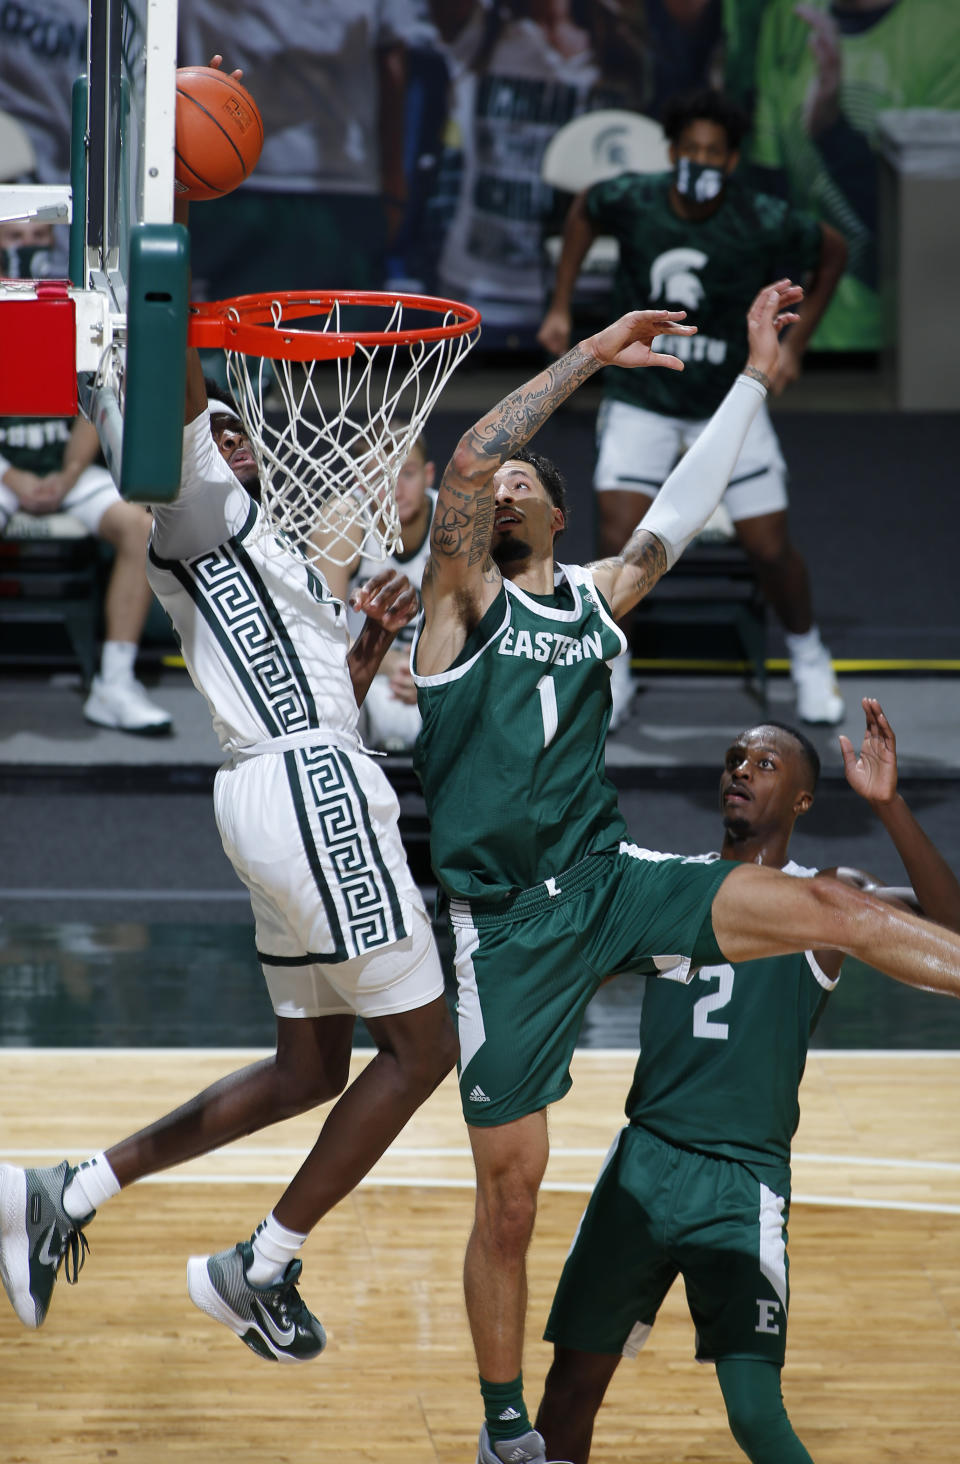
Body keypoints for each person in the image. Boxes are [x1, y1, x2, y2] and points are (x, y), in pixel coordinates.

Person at [409, 281, 960, 1464]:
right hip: (505, 934)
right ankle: (507, 1434)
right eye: (496, 487)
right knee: (511, 1202)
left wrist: (756, 378)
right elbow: (464, 453)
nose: (502, 487)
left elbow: (686, 506)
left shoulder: (598, 608)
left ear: (557, 520)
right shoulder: (458, 607)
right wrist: (599, 351)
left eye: (524, 485)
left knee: (831, 905)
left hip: (608, 881)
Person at [0, 190, 458, 1359]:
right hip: (308, 794)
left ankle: (68, 1191)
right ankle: (261, 1266)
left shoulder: (274, 555)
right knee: (426, 1049)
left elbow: (304, 685)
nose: (257, 438)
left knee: (312, 1064)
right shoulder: (196, 509)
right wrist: (168, 208)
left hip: (287, 781)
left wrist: (356, 662)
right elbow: (183, 379)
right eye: (236, 430)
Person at [534, 699, 960, 1463]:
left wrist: (890, 807)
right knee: (567, 1391)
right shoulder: (665, 884)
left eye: (765, 764)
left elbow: (948, 929)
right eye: (735, 758)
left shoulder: (829, 897)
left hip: (740, 1183)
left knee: (756, 1418)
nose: (741, 770)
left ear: (802, 798)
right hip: (642, 1165)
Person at [538, 87, 850, 728]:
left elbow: (833, 250)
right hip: (643, 396)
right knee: (621, 539)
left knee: (769, 548)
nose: (700, 160)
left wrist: (797, 344)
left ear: (731, 162)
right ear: (672, 151)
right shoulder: (633, 198)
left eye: (715, 152)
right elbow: (583, 211)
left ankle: (809, 653)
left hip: (729, 402)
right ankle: (612, 663)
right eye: (691, 148)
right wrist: (561, 303)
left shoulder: (760, 215)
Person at [0, 218, 173, 734]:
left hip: (67, 471)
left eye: (38, 238)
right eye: (15, 238)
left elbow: (92, 399)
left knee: (140, 527)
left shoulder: (79, 304)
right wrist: (12, 477)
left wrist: (70, 473)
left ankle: (114, 683)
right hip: (5, 470)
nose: (28, 248)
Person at [750, 0, 960, 353]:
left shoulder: (946, 25)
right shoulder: (787, 15)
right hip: (795, 339)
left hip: (905, 346)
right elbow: (770, 193)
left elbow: (931, 224)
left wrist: (834, 132)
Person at [346, 429, 436, 752]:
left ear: (429, 475)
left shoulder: (455, 524)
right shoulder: (344, 520)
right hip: (365, 678)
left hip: (438, 680)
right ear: (360, 484)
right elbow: (318, 630)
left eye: (407, 474)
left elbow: (482, 626)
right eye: (380, 477)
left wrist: (432, 675)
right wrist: (386, 664)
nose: (395, 490)